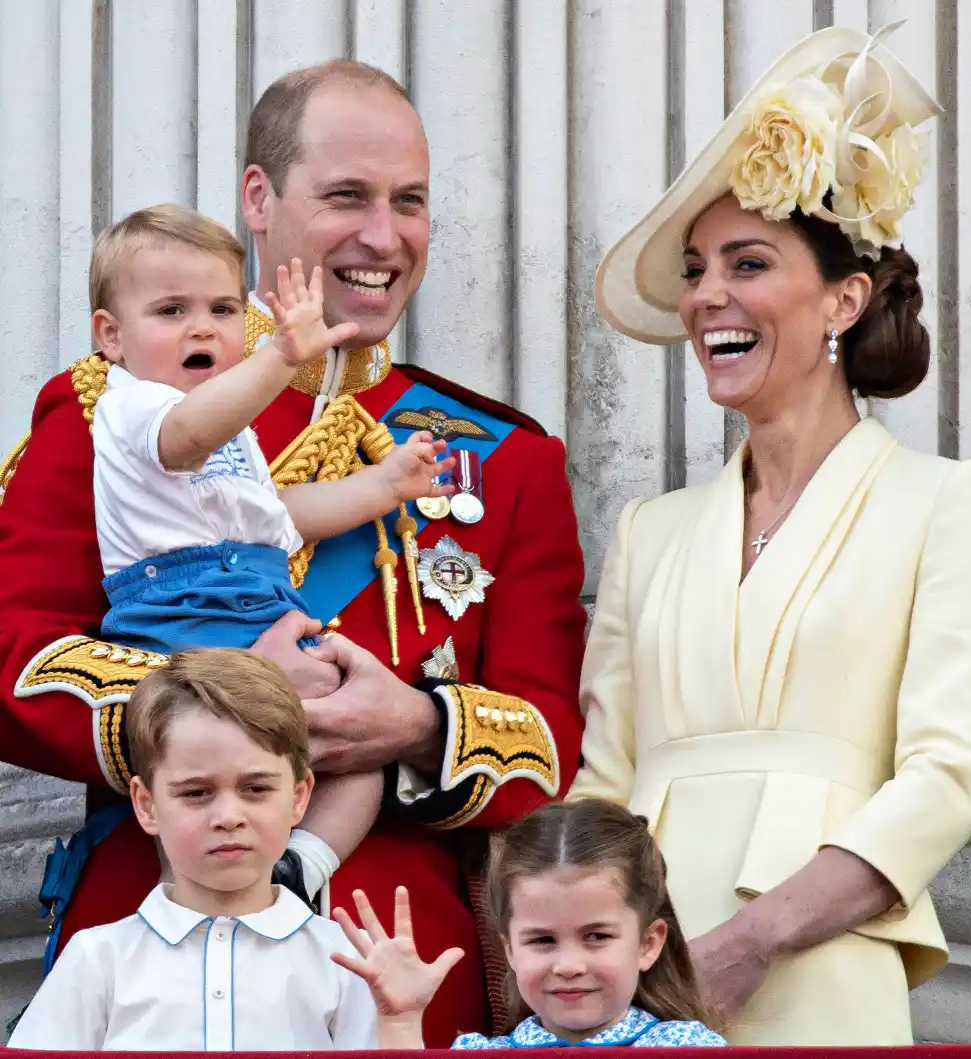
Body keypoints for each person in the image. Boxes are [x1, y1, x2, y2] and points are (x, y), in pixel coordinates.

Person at [0, 60, 586, 1045]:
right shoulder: (113, 408)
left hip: (396, 970)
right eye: (346, 196)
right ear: (259, 199)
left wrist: (416, 726)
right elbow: (14, 660)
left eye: (409, 202)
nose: (382, 236)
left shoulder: (506, 458)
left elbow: (548, 743)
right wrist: (207, 697)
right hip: (151, 952)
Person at [569, 24, 971, 1046]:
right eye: (695, 269)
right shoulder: (648, 531)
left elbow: (943, 778)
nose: (705, 296)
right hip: (640, 977)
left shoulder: (948, 502)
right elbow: (601, 788)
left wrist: (753, 940)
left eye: (748, 262)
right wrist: (566, 958)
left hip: (823, 963)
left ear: (844, 299)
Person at [89, 204, 454, 901]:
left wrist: (381, 486)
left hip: (260, 596)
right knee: (202, 766)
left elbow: (279, 518)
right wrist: (280, 357)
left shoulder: (236, 429)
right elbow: (186, 436)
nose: (202, 328)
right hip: (183, 610)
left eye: (223, 309)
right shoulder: (132, 403)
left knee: (361, 753)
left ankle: (301, 868)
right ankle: (195, 902)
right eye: (171, 311)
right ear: (112, 336)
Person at [9, 649, 461, 1050]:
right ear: (147, 805)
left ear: (299, 797)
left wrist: (400, 1024)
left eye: (256, 788)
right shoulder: (97, 959)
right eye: (196, 793)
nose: (228, 816)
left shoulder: (344, 959)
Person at [334, 799, 724, 1049]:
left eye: (597, 936)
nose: (568, 965)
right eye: (542, 940)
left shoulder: (688, 1049)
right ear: (509, 949)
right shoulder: (480, 1054)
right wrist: (401, 1022)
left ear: (648, 944)